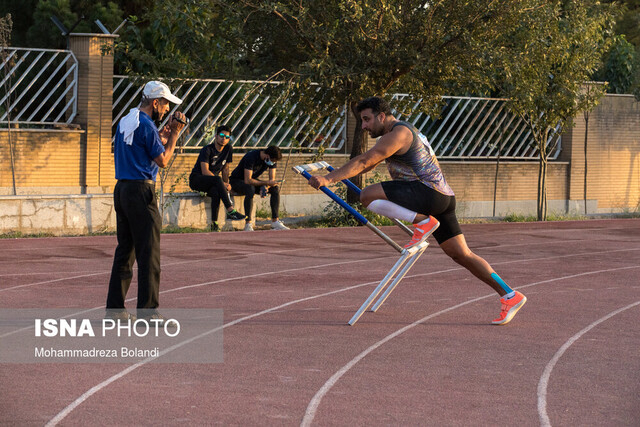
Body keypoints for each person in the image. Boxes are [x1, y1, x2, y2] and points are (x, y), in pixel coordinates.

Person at [308, 97, 526, 325]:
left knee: (366, 195)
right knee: (461, 254)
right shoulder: (397, 133)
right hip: (443, 197)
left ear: (382, 116)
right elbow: (370, 162)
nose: (363, 126)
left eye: (366, 119)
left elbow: (365, 161)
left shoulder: (398, 134)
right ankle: (510, 295)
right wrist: (339, 174)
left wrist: (329, 179)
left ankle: (422, 222)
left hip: (427, 194)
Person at [105, 81, 186, 322]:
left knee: (125, 251)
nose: (167, 110)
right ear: (155, 102)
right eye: (165, 105)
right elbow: (162, 160)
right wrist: (174, 134)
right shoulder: (148, 126)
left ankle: (115, 309)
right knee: (149, 254)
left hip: (122, 189)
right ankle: (148, 312)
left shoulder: (126, 120)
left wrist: (159, 135)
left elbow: (137, 147)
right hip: (142, 191)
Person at [189, 125, 245, 231]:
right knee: (218, 180)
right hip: (197, 180)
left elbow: (225, 169)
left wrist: (227, 185)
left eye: (227, 137)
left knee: (216, 191)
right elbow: (205, 171)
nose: (224, 139)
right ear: (216, 136)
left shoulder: (228, 149)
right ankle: (230, 210)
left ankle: (214, 223)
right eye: (222, 135)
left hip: (213, 182)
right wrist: (222, 183)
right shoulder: (207, 150)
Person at [229, 146, 289, 231]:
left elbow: (271, 179)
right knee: (250, 189)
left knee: (275, 189)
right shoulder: (251, 157)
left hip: (251, 181)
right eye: (273, 161)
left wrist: (265, 187)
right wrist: (265, 183)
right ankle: (248, 223)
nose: (273, 163)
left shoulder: (271, 160)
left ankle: (275, 221)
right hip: (237, 180)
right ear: (267, 156)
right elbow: (248, 180)